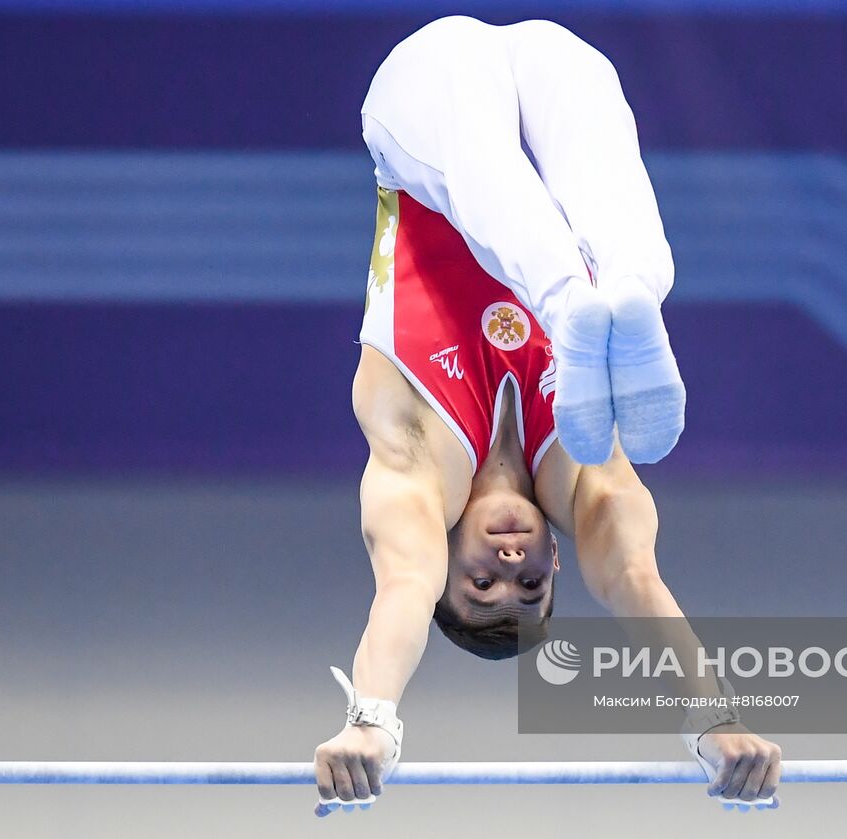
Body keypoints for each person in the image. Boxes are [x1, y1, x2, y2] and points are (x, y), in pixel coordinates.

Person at [312, 16, 781, 817]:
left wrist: (372, 722)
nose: (509, 561)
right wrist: (715, 719)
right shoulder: (577, 461)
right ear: (557, 565)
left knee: (484, 173)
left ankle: (576, 304)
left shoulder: (414, 466)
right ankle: (632, 294)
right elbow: (635, 578)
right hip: (556, 60)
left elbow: (400, 588)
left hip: (428, 92)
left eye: (481, 581)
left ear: (445, 560)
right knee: (608, 197)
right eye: (529, 583)